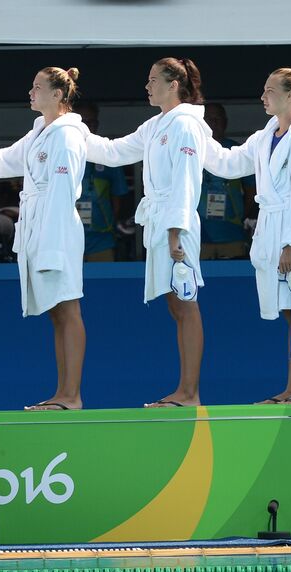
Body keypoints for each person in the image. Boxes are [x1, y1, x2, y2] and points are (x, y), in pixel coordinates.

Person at [85, 58, 210, 408]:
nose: (147, 86)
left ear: (173, 84)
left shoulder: (185, 124)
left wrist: (175, 232)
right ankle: (185, 389)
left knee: (186, 303)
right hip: (162, 222)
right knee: (176, 304)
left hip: (176, 225)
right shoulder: (155, 125)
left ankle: (189, 392)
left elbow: (187, 180)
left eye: (153, 79)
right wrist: (74, 129)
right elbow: (112, 152)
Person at [0, 68, 88, 410]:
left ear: (58, 95)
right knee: (56, 312)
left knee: (68, 306)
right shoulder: (38, 133)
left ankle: (72, 395)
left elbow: (62, 194)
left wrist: (50, 245)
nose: (30, 92)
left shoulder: (67, 135)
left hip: (58, 229)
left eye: (37, 87)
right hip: (38, 229)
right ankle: (62, 392)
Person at [207, 69, 291, 404]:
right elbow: (230, 164)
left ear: (290, 96)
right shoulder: (266, 134)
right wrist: (197, 135)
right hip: (271, 228)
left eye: (269, 90)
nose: (263, 96)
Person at [74, 102, 129, 262]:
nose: (88, 126)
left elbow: (117, 196)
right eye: (83, 122)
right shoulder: (61, 152)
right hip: (66, 235)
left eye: (92, 122)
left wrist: (111, 225)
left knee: (101, 281)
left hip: (101, 236)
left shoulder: (107, 153)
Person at [199, 103, 253, 260]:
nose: (214, 123)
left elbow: (252, 190)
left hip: (233, 234)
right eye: (209, 119)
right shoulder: (192, 150)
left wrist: (242, 217)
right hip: (198, 235)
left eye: (218, 119)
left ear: (226, 122)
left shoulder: (237, 151)